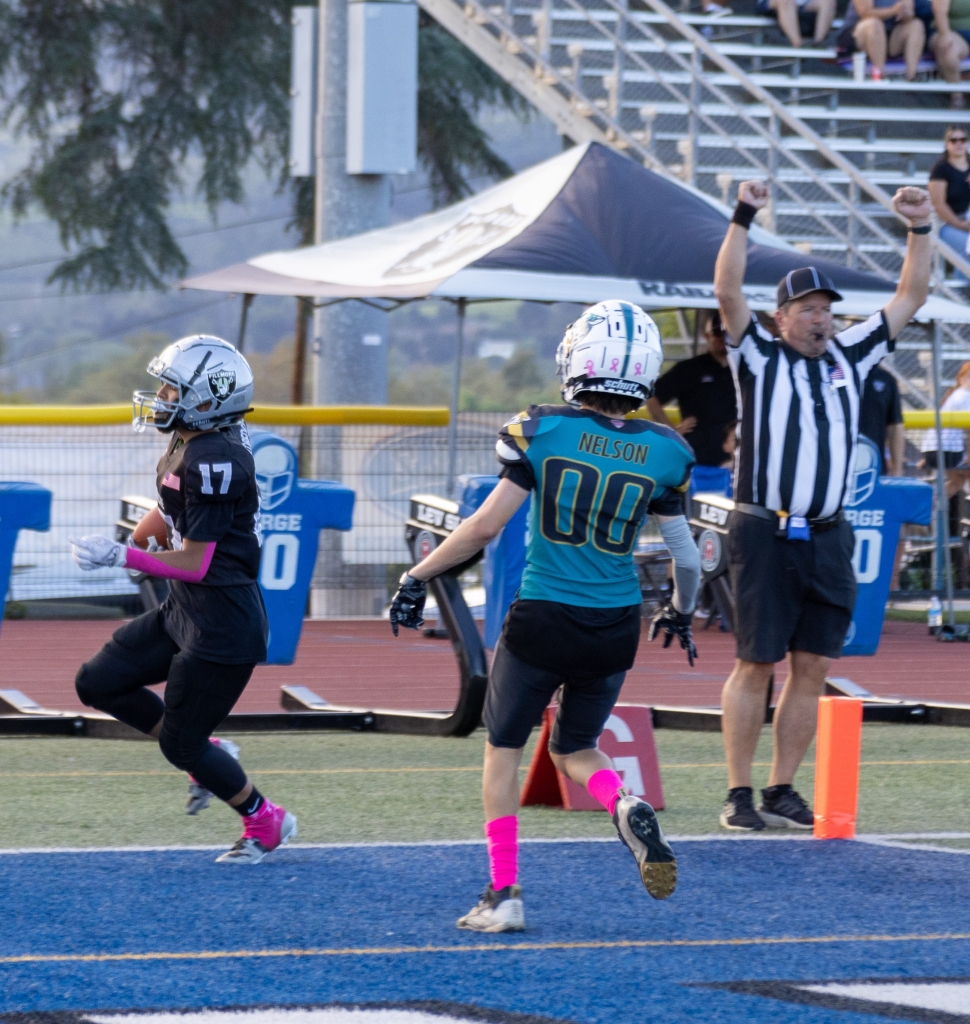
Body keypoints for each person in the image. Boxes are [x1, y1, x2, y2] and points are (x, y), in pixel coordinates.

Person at [389, 300, 701, 932]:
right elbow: (686, 555)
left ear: (579, 359)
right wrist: (682, 610)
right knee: (577, 746)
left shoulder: (540, 429)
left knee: (503, 749)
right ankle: (622, 801)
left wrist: (418, 575)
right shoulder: (666, 450)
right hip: (616, 623)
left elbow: (482, 527)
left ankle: (503, 893)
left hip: (543, 614)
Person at [713, 180, 932, 831]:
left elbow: (910, 295)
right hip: (763, 528)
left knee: (813, 666)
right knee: (755, 661)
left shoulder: (852, 353)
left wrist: (919, 227)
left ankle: (783, 787)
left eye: (825, 308)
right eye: (805, 308)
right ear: (780, 317)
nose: (819, 317)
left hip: (830, 533)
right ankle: (738, 792)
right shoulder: (755, 355)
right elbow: (728, 291)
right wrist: (745, 214)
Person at [71, 335, 296, 863]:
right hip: (186, 612)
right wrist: (132, 543)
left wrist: (120, 560)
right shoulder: (190, 442)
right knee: (98, 681)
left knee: (180, 744)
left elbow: (195, 561)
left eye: (171, 388)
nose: (160, 396)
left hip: (223, 624)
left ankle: (266, 820)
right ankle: (209, 752)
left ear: (208, 397)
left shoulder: (216, 459)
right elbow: (169, 510)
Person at [646, 310, 738, 496]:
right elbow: (652, 396)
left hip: (733, 458)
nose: (722, 339)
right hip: (697, 456)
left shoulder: (743, 368)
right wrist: (670, 429)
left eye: (726, 334)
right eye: (718, 334)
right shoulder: (690, 369)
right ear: (707, 336)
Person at [839, 0, 927, 81]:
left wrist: (906, 13)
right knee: (874, 24)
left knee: (916, 24)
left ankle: (912, 75)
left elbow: (909, 14)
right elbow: (865, 13)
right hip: (859, 33)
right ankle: (879, 73)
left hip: (889, 35)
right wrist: (893, 11)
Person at [920, 359, 970, 498]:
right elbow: (968, 428)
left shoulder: (955, 395)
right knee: (961, 478)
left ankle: (927, 506)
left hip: (932, 450)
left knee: (957, 481)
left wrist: (925, 457)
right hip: (947, 451)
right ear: (960, 379)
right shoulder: (965, 395)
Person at [928, 127, 970, 282]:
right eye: (953, 140)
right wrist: (960, 224)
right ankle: (963, 289)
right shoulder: (941, 170)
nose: (958, 144)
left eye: (963, 140)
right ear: (947, 144)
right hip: (946, 223)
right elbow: (939, 205)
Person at [860, 365, 905, 475]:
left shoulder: (885, 379)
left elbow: (895, 426)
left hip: (873, 466)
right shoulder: (833, 374)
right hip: (836, 465)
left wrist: (897, 469)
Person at [929, 1, 970, 107]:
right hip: (952, 32)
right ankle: (957, 98)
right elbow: (940, 12)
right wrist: (945, 35)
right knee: (948, 51)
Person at [757, 0, 836, 48]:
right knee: (785, 1)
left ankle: (818, 43)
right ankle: (798, 45)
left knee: (828, 2)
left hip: (806, 4)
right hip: (775, 3)